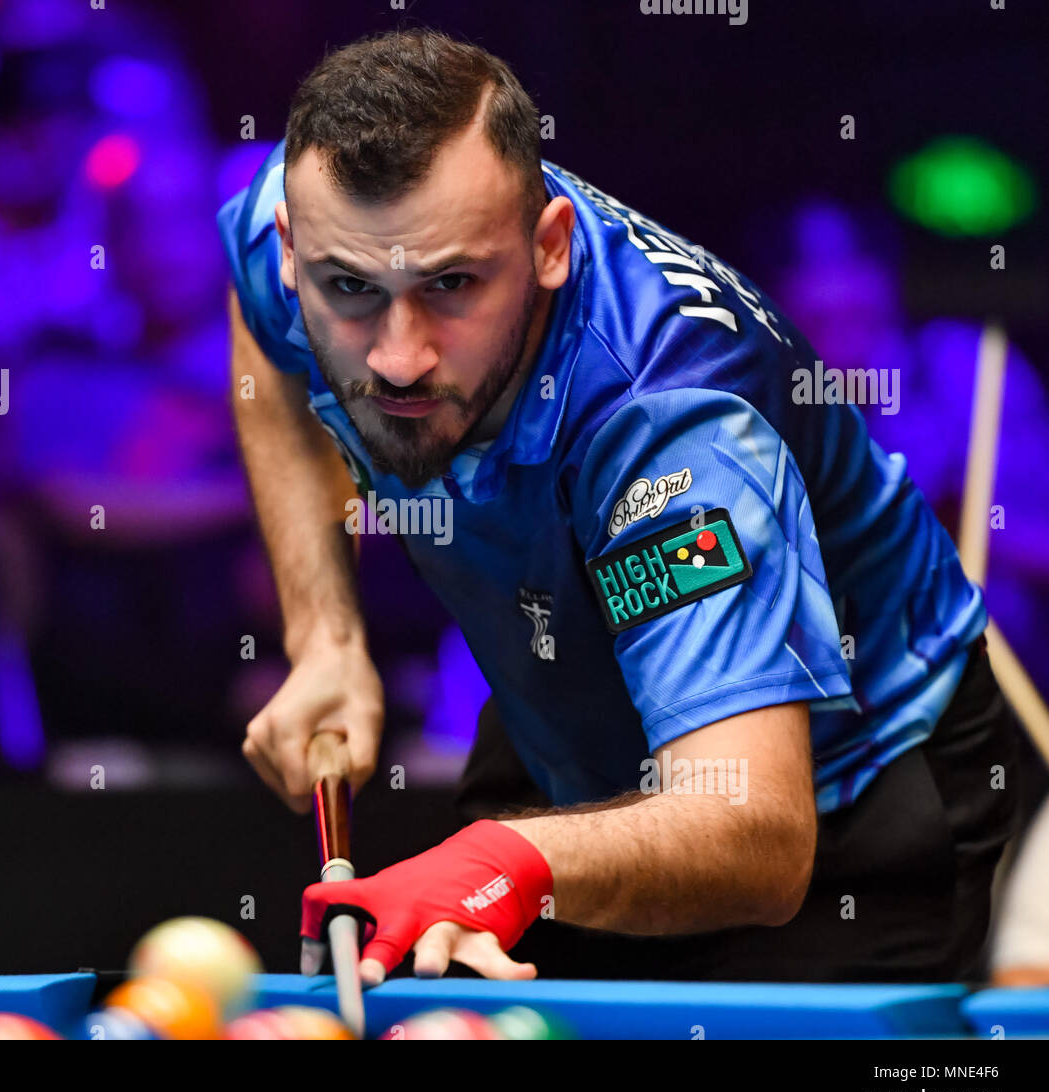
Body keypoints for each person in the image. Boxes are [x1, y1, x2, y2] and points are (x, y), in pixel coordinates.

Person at [218, 29, 1023, 984]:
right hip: (567, 708)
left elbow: (751, 830)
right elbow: (261, 331)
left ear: (549, 245)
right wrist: (326, 637)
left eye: (452, 285)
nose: (397, 355)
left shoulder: (671, 423)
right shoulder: (312, 224)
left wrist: (495, 863)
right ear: (293, 253)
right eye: (350, 288)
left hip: (848, 789)